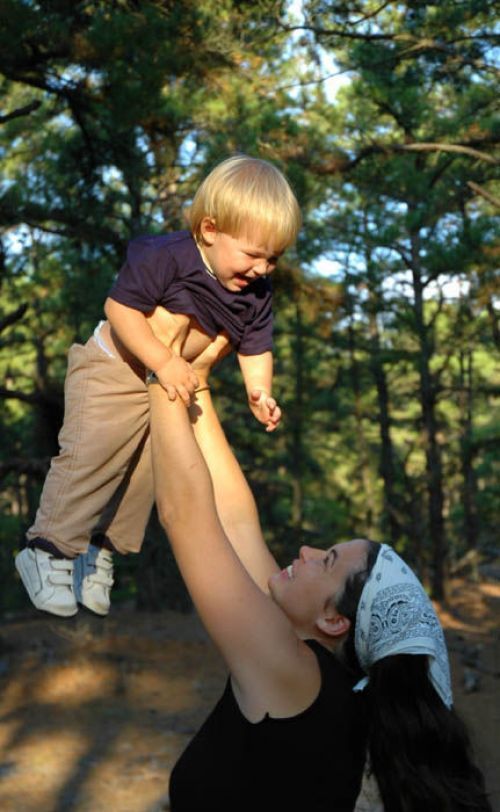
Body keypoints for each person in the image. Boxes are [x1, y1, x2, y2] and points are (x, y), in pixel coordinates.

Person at [147, 334, 492, 812]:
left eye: (326, 560)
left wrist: (157, 366)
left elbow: (185, 516)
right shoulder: (314, 673)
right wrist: (197, 385)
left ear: (334, 620)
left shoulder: (295, 676)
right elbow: (237, 523)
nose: (305, 551)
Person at [15, 155, 301, 619]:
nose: (264, 269)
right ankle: (47, 549)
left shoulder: (256, 293)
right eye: (254, 254)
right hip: (112, 370)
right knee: (93, 455)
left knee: (143, 475)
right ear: (210, 230)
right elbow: (119, 310)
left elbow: (255, 346)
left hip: (168, 384)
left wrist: (259, 391)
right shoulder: (166, 256)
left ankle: (98, 552)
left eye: (274, 258)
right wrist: (165, 360)